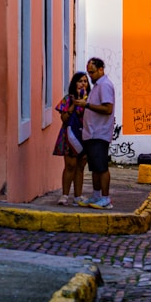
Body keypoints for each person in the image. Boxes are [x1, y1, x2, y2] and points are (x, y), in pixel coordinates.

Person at [76, 57, 116, 210]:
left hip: (100, 132)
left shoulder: (105, 85)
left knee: (101, 167)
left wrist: (87, 105)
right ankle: (97, 195)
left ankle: (105, 198)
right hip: (92, 133)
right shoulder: (98, 86)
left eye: (92, 72)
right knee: (94, 167)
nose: (90, 76)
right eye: (88, 73)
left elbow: (107, 109)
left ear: (101, 69)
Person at [53, 72, 89, 205]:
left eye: (85, 81)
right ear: (74, 83)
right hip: (69, 136)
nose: (83, 83)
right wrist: (73, 105)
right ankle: (65, 195)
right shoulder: (67, 99)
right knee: (70, 165)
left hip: (84, 136)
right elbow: (64, 118)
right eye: (80, 81)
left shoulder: (90, 100)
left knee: (80, 167)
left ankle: (78, 196)